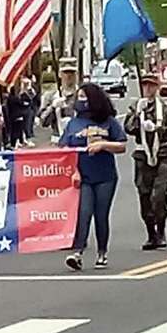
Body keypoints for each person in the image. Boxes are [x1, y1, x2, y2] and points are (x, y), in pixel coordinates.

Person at [60, 82, 127, 270]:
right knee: (83, 213)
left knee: (101, 214)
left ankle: (102, 252)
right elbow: (65, 149)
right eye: (78, 97)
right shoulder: (74, 123)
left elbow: (122, 145)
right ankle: (77, 251)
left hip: (105, 175)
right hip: (83, 175)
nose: (81, 100)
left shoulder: (108, 121)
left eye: (84, 96)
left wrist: (103, 145)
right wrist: (74, 170)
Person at [124, 74, 167, 250]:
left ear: (157, 88)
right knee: (144, 195)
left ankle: (161, 231)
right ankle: (151, 234)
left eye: (152, 86)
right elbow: (128, 129)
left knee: (160, 195)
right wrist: (138, 116)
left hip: (161, 153)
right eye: (146, 85)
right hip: (142, 155)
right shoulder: (135, 107)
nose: (148, 89)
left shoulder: (165, 109)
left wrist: (158, 129)